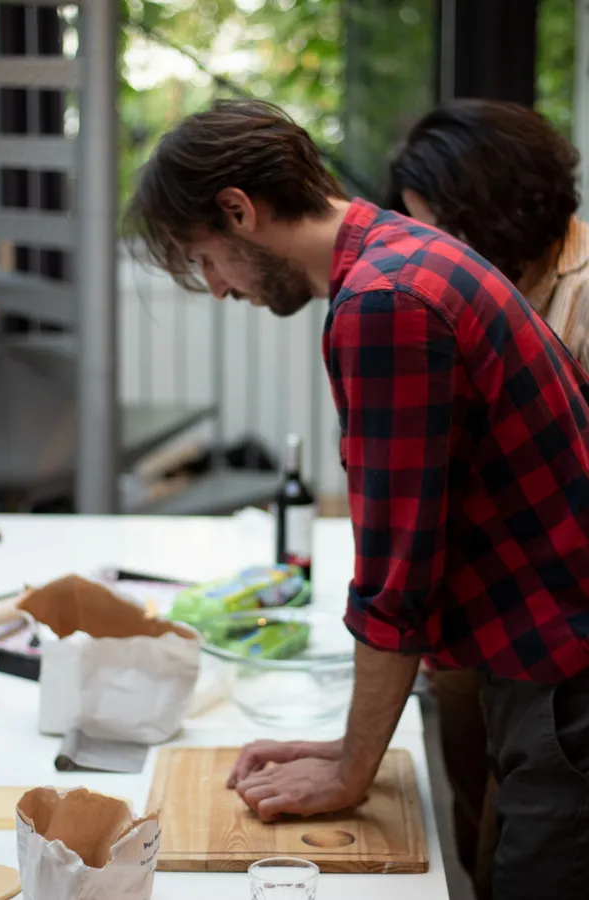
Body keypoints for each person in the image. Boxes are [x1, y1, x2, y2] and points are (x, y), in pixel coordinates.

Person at [126, 99, 589, 900]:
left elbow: (396, 575)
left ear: (239, 210)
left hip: (567, 676)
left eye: (207, 259)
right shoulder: (406, 254)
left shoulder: (384, 304)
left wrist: (350, 766)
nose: (215, 289)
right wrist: (346, 744)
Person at [383, 98, 589, 900]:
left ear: (489, 207)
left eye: (434, 225)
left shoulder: (579, 293)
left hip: (552, 633)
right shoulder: (487, 285)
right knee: (475, 832)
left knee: (527, 839)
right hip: (481, 629)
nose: (427, 248)